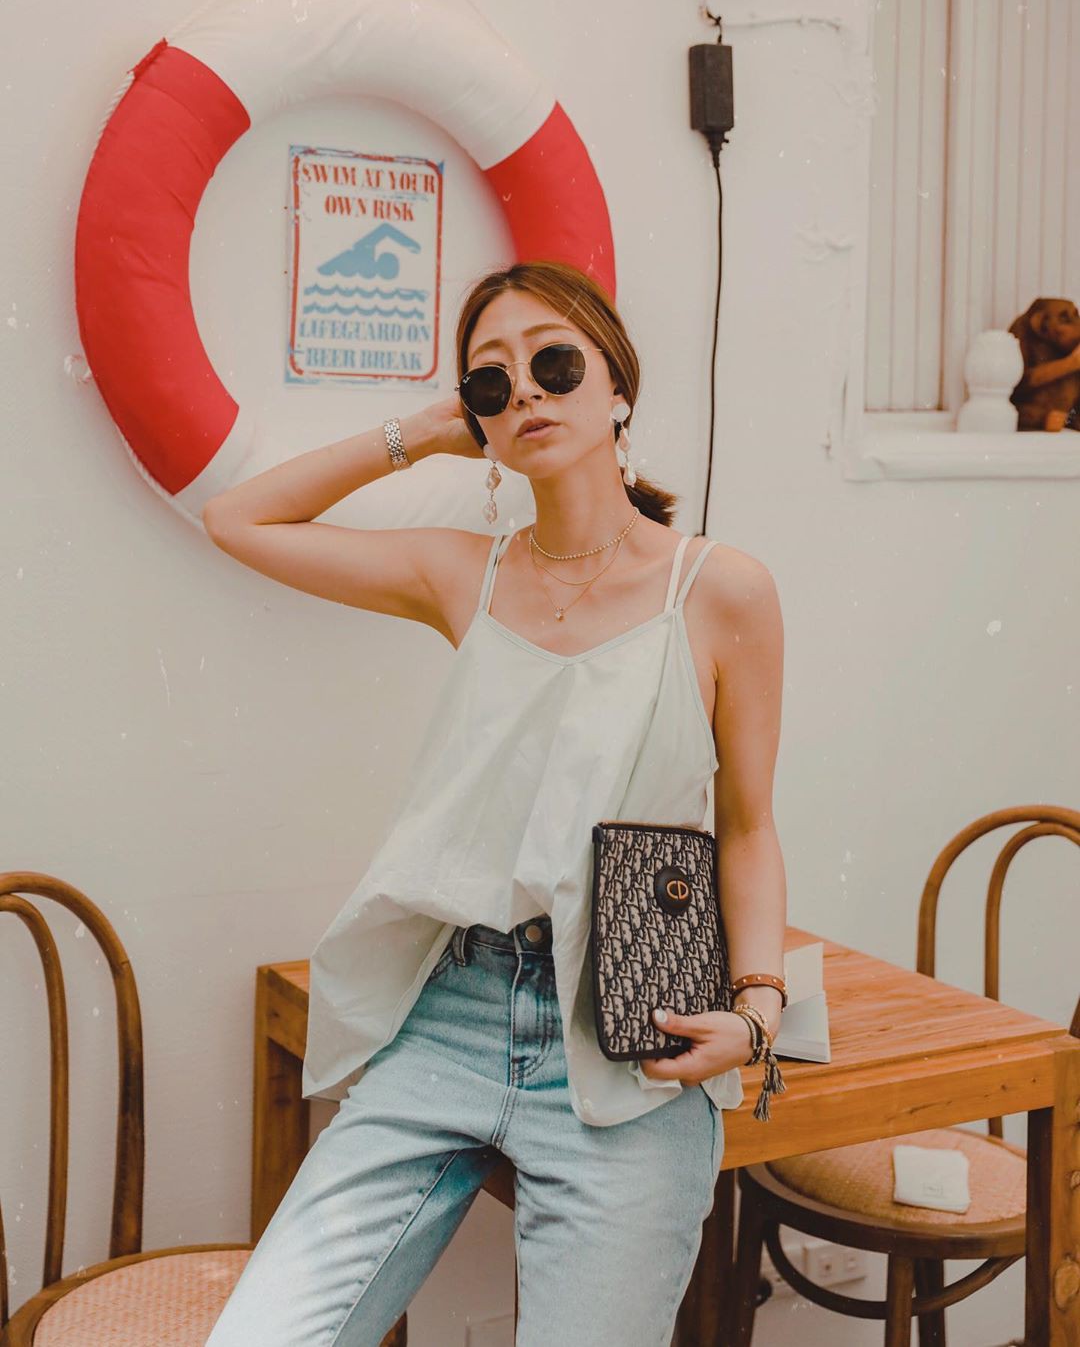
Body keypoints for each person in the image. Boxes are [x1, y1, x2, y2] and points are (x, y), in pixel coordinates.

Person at [201, 259, 787, 1347]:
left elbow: (748, 826)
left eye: (554, 362)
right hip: (453, 1010)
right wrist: (423, 433)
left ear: (618, 386)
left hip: (625, 1032)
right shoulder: (461, 573)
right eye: (490, 379)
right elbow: (237, 520)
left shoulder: (719, 591)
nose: (524, 390)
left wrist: (759, 1013)